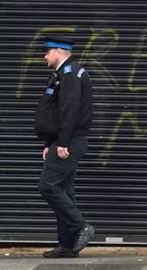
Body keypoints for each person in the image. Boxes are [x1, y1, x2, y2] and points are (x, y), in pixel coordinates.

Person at [35, 36, 95, 258]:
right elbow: (56, 112)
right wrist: (51, 142)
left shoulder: (69, 74)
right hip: (65, 141)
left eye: (47, 52)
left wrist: (62, 142)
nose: (45, 56)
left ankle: (80, 226)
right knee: (64, 191)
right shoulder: (68, 72)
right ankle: (67, 246)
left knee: (47, 185)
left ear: (58, 51)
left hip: (70, 142)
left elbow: (69, 111)